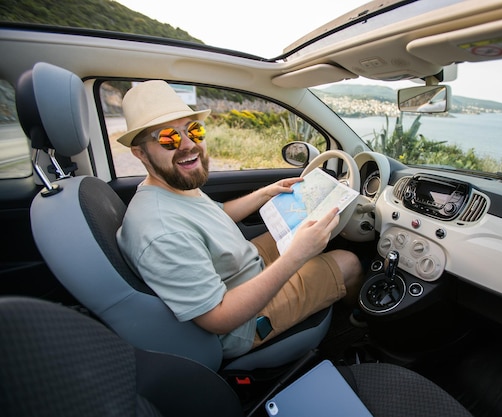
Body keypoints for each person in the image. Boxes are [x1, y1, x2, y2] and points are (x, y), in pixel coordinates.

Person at [116, 80, 363, 358]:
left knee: (310, 227)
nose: (188, 145)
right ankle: (355, 327)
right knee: (349, 262)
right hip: (243, 323)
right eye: (168, 138)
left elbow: (216, 214)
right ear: (140, 153)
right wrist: (294, 256)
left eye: (193, 131)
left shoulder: (168, 188)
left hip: (239, 266)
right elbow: (219, 318)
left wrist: (266, 193)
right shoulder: (161, 231)